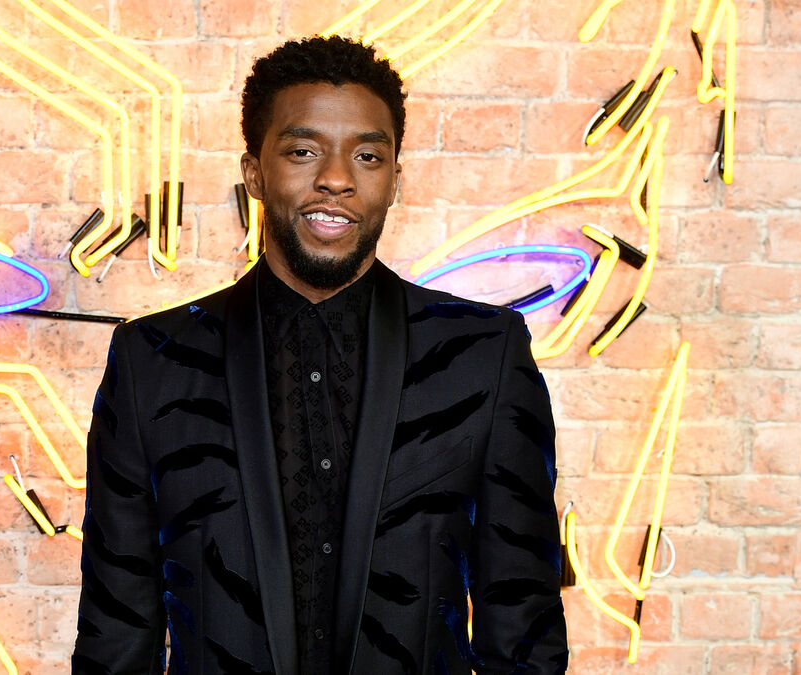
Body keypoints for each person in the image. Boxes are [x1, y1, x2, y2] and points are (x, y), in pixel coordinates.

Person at [74, 35, 568, 674]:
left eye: (368, 155)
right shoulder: (153, 362)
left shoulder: (484, 355)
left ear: (395, 181)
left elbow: (522, 623)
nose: (336, 179)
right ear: (254, 173)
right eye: (303, 151)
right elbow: (116, 630)